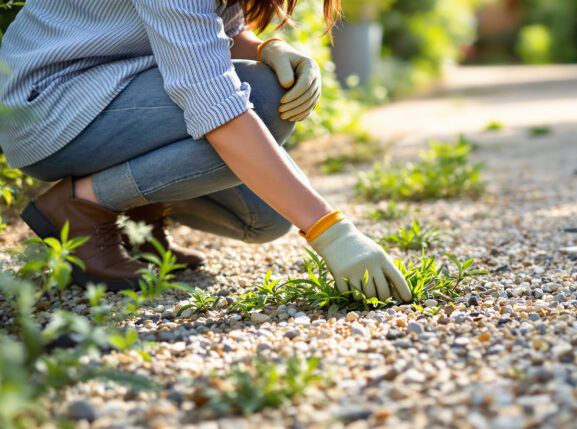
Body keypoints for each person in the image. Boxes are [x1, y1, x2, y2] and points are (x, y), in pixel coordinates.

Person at [0, 0, 412, 302]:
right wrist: (331, 232)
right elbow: (217, 106)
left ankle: (134, 216)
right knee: (264, 99)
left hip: (111, 87)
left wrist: (266, 48)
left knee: (264, 218)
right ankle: (79, 205)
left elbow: (210, 33)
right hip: (46, 104)